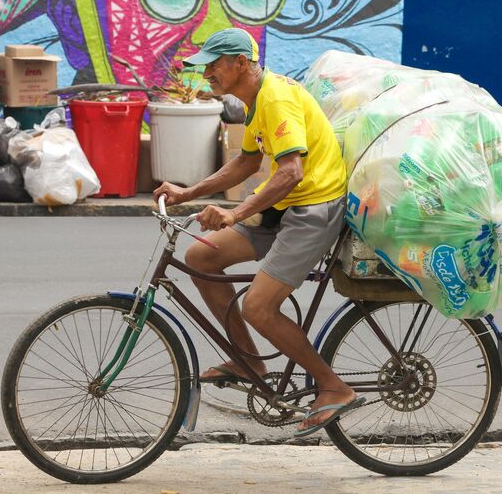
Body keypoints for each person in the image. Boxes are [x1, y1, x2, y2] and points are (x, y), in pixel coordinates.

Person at [152, 28, 364, 437]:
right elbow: (247, 162)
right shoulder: (254, 100)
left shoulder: (276, 99)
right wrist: (187, 193)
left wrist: (235, 214)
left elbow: (291, 171)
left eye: (213, 65)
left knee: (258, 308)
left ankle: (334, 388)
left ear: (240, 63)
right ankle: (248, 362)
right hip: (283, 205)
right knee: (201, 257)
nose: (206, 74)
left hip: (313, 208)